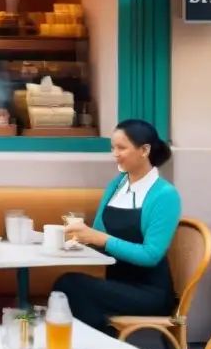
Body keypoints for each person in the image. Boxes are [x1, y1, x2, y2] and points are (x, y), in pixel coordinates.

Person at [53, 119, 180, 333]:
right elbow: (98, 232)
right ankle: (104, 346)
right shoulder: (118, 184)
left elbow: (151, 255)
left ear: (144, 150)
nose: (115, 154)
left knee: (70, 286)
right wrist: (71, 240)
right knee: (68, 289)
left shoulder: (164, 195)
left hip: (149, 293)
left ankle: (101, 347)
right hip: (117, 285)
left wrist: (100, 239)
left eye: (122, 148)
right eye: (113, 148)